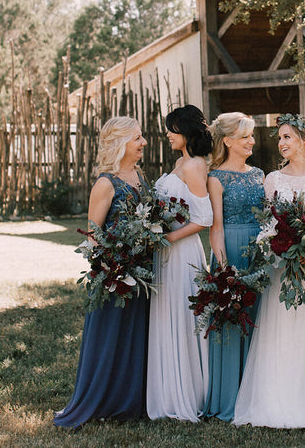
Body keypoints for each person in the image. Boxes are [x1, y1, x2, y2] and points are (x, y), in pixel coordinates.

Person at [233, 113, 305, 428]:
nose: (281, 143)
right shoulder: (273, 179)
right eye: (279, 138)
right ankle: (279, 397)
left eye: (287, 137)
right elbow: (268, 224)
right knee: (284, 328)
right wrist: (279, 245)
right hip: (283, 267)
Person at [54, 116, 149, 428]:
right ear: (121, 143)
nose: (143, 143)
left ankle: (130, 399)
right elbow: (93, 235)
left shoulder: (140, 176)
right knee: (111, 336)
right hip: (115, 273)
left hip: (143, 270)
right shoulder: (106, 184)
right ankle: (101, 399)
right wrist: (113, 268)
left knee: (136, 336)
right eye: (137, 138)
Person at [146, 105, 213, 422]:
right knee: (167, 317)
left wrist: (166, 239)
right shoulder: (179, 162)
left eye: (172, 129)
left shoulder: (195, 165)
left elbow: (205, 218)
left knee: (184, 320)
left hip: (183, 253)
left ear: (186, 132)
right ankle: (169, 389)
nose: (168, 134)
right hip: (166, 253)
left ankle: (190, 392)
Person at [203, 112, 265, 421]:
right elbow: (215, 227)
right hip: (230, 251)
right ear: (228, 141)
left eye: (252, 135)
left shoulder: (259, 174)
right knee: (232, 319)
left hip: (259, 252)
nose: (252, 141)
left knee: (257, 318)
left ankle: (255, 394)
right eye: (245, 137)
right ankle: (228, 396)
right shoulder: (216, 177)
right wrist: (226, 271)